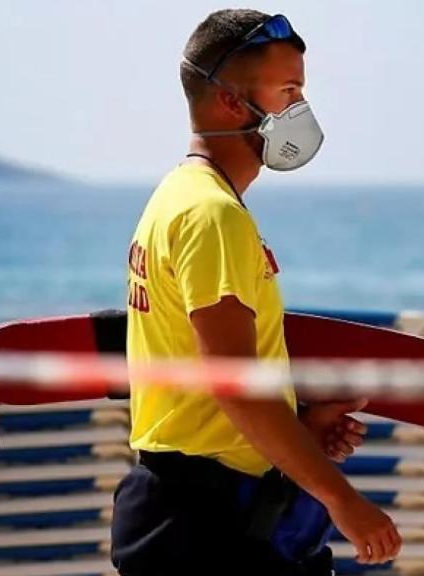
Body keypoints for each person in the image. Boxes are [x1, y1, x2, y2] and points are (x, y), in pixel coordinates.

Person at [113, 9, 403, 576]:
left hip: (195, 509)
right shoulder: (212, 214)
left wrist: (300, 427)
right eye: (289, 91)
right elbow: (236, 387)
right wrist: (342, 500)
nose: (301, 110)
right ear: (229, 102)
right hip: (208, 526)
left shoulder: (179, 196)